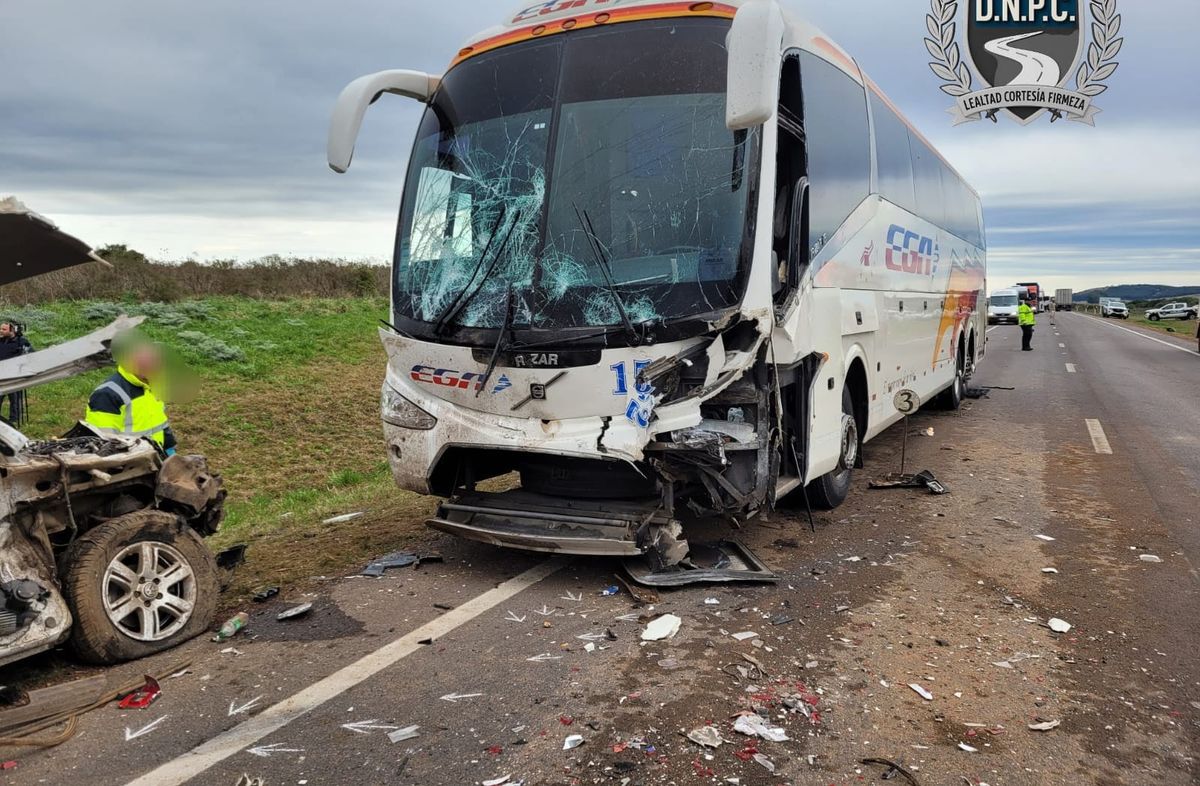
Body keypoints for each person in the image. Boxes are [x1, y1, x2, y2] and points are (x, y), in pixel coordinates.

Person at [85, 339, 177, 454]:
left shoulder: (152, 386)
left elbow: (160, 423)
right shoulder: (107, 394)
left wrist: (169, 448)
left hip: (155, 456)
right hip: (128, 461)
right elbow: (102, 442)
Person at [0, 321, 33, 425]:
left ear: (12, 330)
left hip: (14, 375)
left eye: (4, 329)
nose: (1, 331)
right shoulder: (1, 341)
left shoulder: (21, 342)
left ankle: (14, 420)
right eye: (1, 329)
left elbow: (31, 354)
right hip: (1, 374)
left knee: (15, 399)